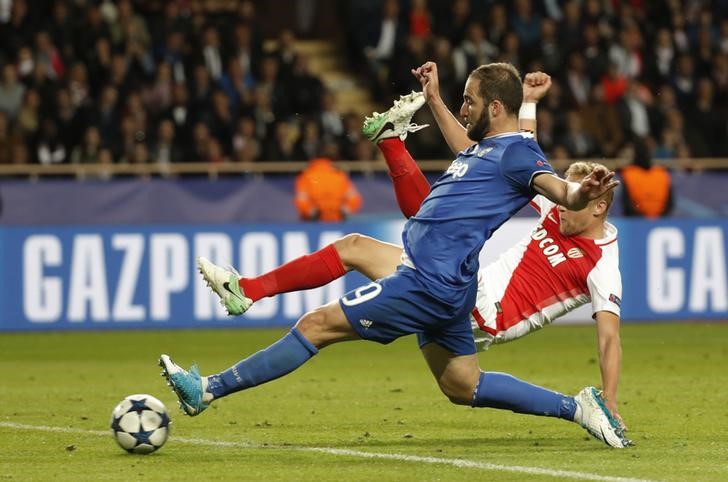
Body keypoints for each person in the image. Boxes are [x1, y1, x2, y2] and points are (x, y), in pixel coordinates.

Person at [160, 62, 628, 448]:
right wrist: (438, 97)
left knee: (315, 326)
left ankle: (207, 389)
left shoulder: (520, 158)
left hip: (429, 283)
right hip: (452, 284)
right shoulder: (487, 150)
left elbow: (556, 188)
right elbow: (489, 141)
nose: (465, 108)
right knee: (462, 385)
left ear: (496, 108)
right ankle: (576, 406)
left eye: (471, 100)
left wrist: (578, 192)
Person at [294, 156, 363, 222]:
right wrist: (345, 210)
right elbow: (354, 198)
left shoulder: (305, 177)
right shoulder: (340, 176)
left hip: (314, 221)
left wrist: (312, 212)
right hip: (338, 221)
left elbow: (301, 200)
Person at [620, 138, 673, 218]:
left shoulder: (629, 173)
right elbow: (670, 203)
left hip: (640, 221)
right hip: (654, 220)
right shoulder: (661, 173)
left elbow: (626, 203)